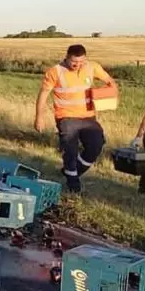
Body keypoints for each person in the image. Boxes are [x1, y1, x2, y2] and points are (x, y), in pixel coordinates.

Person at [34, 44, 117, 194]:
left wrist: (112, 92)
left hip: (88, 117)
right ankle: (73, 185)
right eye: (74, 62)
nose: (77, 65)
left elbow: (110, 81)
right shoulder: (55, 72)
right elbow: (43, 95)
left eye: (81, 62)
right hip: (66, 117)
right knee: (70, 150)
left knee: (96, 145)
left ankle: (72, 172)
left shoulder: (92, 67)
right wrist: (39, 117)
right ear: (66, 57)